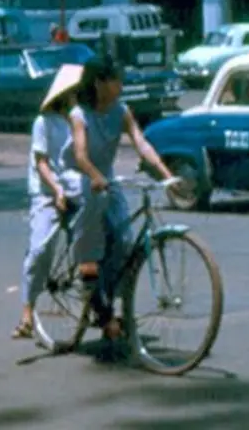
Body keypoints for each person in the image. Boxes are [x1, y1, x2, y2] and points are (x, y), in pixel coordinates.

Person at [63, 53, 176, 341]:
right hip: (79, 175)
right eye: (116, 81)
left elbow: (140, 141)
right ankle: (88, 270)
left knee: (124, 240)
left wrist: (165, 174)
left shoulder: (121, 111)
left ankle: (107, 298)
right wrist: (94, 175)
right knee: (94, 216)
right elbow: (79, 154)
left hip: (106, 177)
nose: (121, 86)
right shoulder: (80, 114)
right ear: (100, 83)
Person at [13, 63, 83, 340]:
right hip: (47, 190)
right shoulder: (44, 122)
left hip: (75, 188)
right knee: (41, 248)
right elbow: (41, 163)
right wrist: (56, 191)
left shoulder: (80, 121)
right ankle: (27, 310)